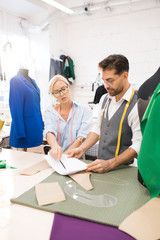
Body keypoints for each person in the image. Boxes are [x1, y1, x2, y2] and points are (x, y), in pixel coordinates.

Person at [68, 54, 142, 173]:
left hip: (125, 169)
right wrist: (81, 149)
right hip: (102, 166)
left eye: (110, 81)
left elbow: (138, 144)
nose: (106, 86)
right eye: (104, 81)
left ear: (125, 76)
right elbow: (97, 129)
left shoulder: (137, 104)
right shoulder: (104, 99)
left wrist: (110, 164)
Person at [43, 74, 92, 160]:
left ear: (69, 87)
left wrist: (65, 156)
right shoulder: (49, 112)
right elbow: (49, 132)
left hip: (76, 158)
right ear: (53, 95)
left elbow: (81, 137)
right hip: (56, 159)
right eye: (57, 92)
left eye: (63, 89)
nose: (62, 94)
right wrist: (55, 147)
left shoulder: (85, 110)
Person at [9, 68, 44, 149]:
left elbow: (37, 106)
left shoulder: (33, 81)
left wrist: (41, 126)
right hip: (24, 132)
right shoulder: (15, 80)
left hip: (36, 129)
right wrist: (20, 133)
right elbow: (15, 108)